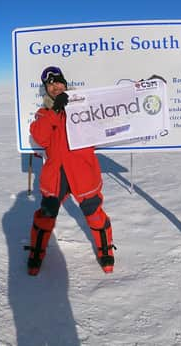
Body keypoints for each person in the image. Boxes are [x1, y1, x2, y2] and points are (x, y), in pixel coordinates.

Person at [26, 65, 115, 276]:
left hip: (83, 172)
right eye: (49, 84)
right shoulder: (43, 113)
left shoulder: (83, 107)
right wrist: (54, 111)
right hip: (56, 174)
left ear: (65, 83)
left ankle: (105, 251)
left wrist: (140, 92)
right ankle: (36, 254)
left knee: (92, 211)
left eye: (58, 81)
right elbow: (41, 138)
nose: (54, 86)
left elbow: (106, 121)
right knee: (46, 213)